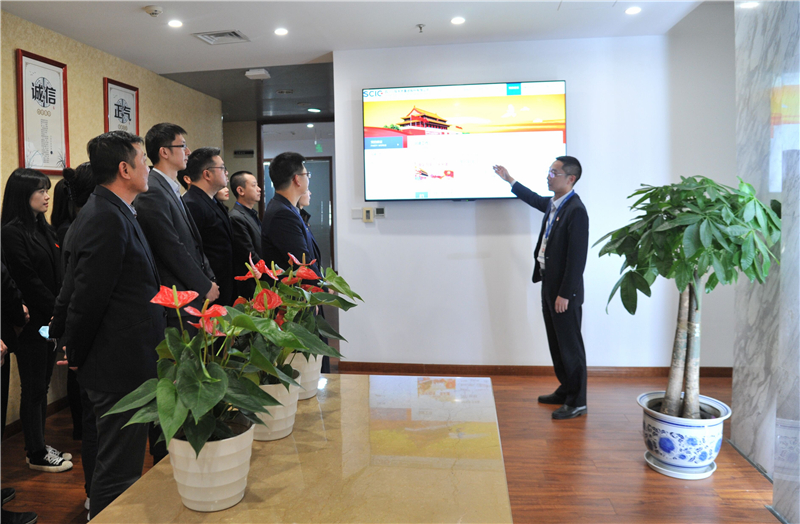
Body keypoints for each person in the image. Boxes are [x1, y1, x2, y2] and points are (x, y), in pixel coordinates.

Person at [59, 131, 165, 518]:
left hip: (126, 360)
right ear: (124, 169)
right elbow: (86, 299)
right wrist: (75, 354)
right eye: (143, 161)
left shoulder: (115, 210)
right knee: (119, 471)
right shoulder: (105, 216)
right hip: (116, 366)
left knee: (122, 464)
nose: (148, 168)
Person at [493, 157, 589, 420]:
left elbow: (577, 258)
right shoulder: (555, 205)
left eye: (554, 172)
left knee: (570, 346)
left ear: (570, 178)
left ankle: (577, 401)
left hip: (564, 292)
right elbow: (534, 199)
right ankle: (565, 390)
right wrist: (510, 179)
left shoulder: (575, 210)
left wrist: (565, 294)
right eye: (549, 171)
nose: (549, 176)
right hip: (549, 284)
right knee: (556, 344)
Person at [0, 168, 72, 471]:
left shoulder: (44, 228)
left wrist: (60, 309)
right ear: (22, 195)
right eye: (40, 191)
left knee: (41, 386)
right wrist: (56, 309)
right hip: (31, 322)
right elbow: (27, 279)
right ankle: (36, 452)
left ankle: (38, 442)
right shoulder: (11, 232)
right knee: (33, 388)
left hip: (50, 318)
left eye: (47, 190)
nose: (46, 196)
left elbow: (58, 274)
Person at [133, 123, 218, 330]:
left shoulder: (169, 187)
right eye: (183, 146)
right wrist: (203, 285)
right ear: (164, 152)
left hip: (191, 293)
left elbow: (193, 243)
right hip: (176, 299)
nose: (188, 152)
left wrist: (208, 278)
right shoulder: (152, 190)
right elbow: (170, 247)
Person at [50, 162, 98, 515]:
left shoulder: (86, 223)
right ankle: (97, 495)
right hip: (92, 344)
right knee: (97, 425)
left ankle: (97, 492)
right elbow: (78, 296)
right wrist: (69, 340)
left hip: (87, 341)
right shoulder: (87, 226)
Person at [261, 153, 329, 372]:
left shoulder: (289, 209)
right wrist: (318, 292)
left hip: (302, 298)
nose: (308, 178)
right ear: (297, 179)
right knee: (305, 367)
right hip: (295, 302)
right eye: (306, 174)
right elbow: (302, 263)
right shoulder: (282, 214)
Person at [182, 148, 234, 306]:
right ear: (207, 174)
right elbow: (192, 250)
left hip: (224, 283)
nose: (226, 172)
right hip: (210, 289)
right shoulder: (192, 203)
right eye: (222, 168)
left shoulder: (212, 200)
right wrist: (205, 284)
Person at [229, 170, 263, 299]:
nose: (259, 189)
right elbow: (248, 253)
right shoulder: (236, 217)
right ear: (240, 190)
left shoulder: (250, 213)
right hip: (251, 282)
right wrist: (267, 272)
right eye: (254, 185)